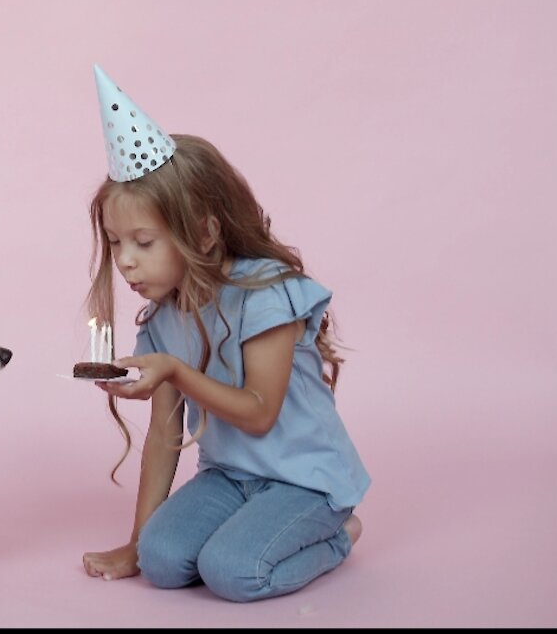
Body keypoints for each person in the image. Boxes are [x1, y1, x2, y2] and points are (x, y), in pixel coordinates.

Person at [78, 65, 370, 602]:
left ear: (206, 233)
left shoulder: (266, 294)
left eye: (144, 241)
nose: (126, 262)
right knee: (160, 562)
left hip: (305, 482)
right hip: (229, 477)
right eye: (117, 243)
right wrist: (136, 542)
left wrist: (176, 372)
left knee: (232, 572)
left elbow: (259, 410)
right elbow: (165, 437)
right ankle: (222, 530)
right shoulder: (162, 322)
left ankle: (338, 536)